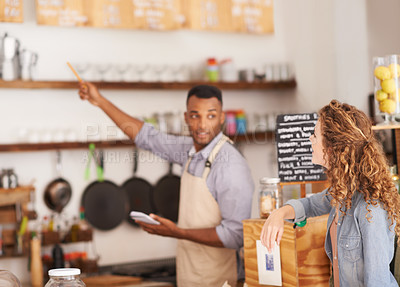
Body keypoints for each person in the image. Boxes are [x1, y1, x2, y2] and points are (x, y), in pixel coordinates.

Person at [78, 83, 254, 287]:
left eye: (211, 116)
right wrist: (99, 100)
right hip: (189, 276)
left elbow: (236, 235)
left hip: (222, 280)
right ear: (186, 117)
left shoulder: (230, 165)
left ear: (222, 118)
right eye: (196, 115)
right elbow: (147, 137)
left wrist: (177, 232)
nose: (203, 125)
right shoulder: (189, 151)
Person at [260, 100, 400, 286]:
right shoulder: (344, 192)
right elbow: (311, 204)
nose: (310, 139)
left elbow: (378, 282)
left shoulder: (370, 208)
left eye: (315, 135)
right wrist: (279, 214)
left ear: (333, 149)